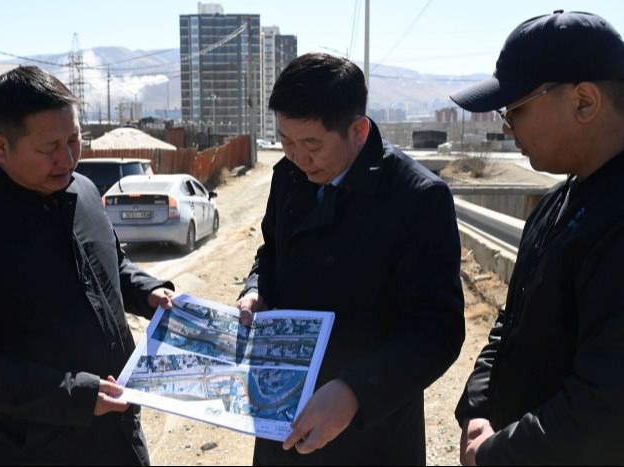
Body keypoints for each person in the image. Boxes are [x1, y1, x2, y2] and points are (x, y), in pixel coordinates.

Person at [0, 66, 176, 465]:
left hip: (117, 434)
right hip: (29, 450)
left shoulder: (84, 191)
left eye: (74, 139)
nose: (68, 158)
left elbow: (111, 264)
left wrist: (146, 292)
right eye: (50, 147)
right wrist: (74, 394)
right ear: (1, 146)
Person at [237, 53, 465, 466]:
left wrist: (355, 391)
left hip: (370, 432)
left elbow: (438, 331)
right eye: (286, 141)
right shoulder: (288, 176)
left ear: (358, 131)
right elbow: (271, 253)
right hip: (283, 418)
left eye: (311, 144)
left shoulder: (417, 198)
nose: (297, 157)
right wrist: (256, 290)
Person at [451, 10, 624, 466]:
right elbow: (513, 321)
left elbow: (606, 411)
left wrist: (495, 453)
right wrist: (478, 408)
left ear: (584, 102)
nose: (507, 128)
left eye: (516, 110)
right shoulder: (556, 202)